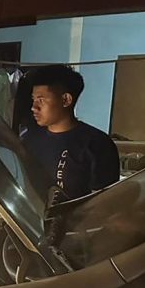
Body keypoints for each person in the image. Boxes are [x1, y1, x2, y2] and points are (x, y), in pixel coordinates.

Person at [21, 65, 120, 202]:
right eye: (34, 100)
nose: (34, 107)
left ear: (66, 100)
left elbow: (103, 203)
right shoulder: (29, 140)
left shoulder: (98, 145)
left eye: (41, 100)